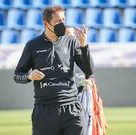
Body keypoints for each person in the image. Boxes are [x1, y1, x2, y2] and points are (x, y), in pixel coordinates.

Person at [13, 5, 93, 135]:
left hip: (72, 109)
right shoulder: (32, 45)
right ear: (46, 23)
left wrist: (84, 46)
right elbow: (17, 75)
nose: (62, 24)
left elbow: (89, 71)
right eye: (58, 21)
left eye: (63, 20)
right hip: (44, 111)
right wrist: (29, 76)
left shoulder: (71, 42)